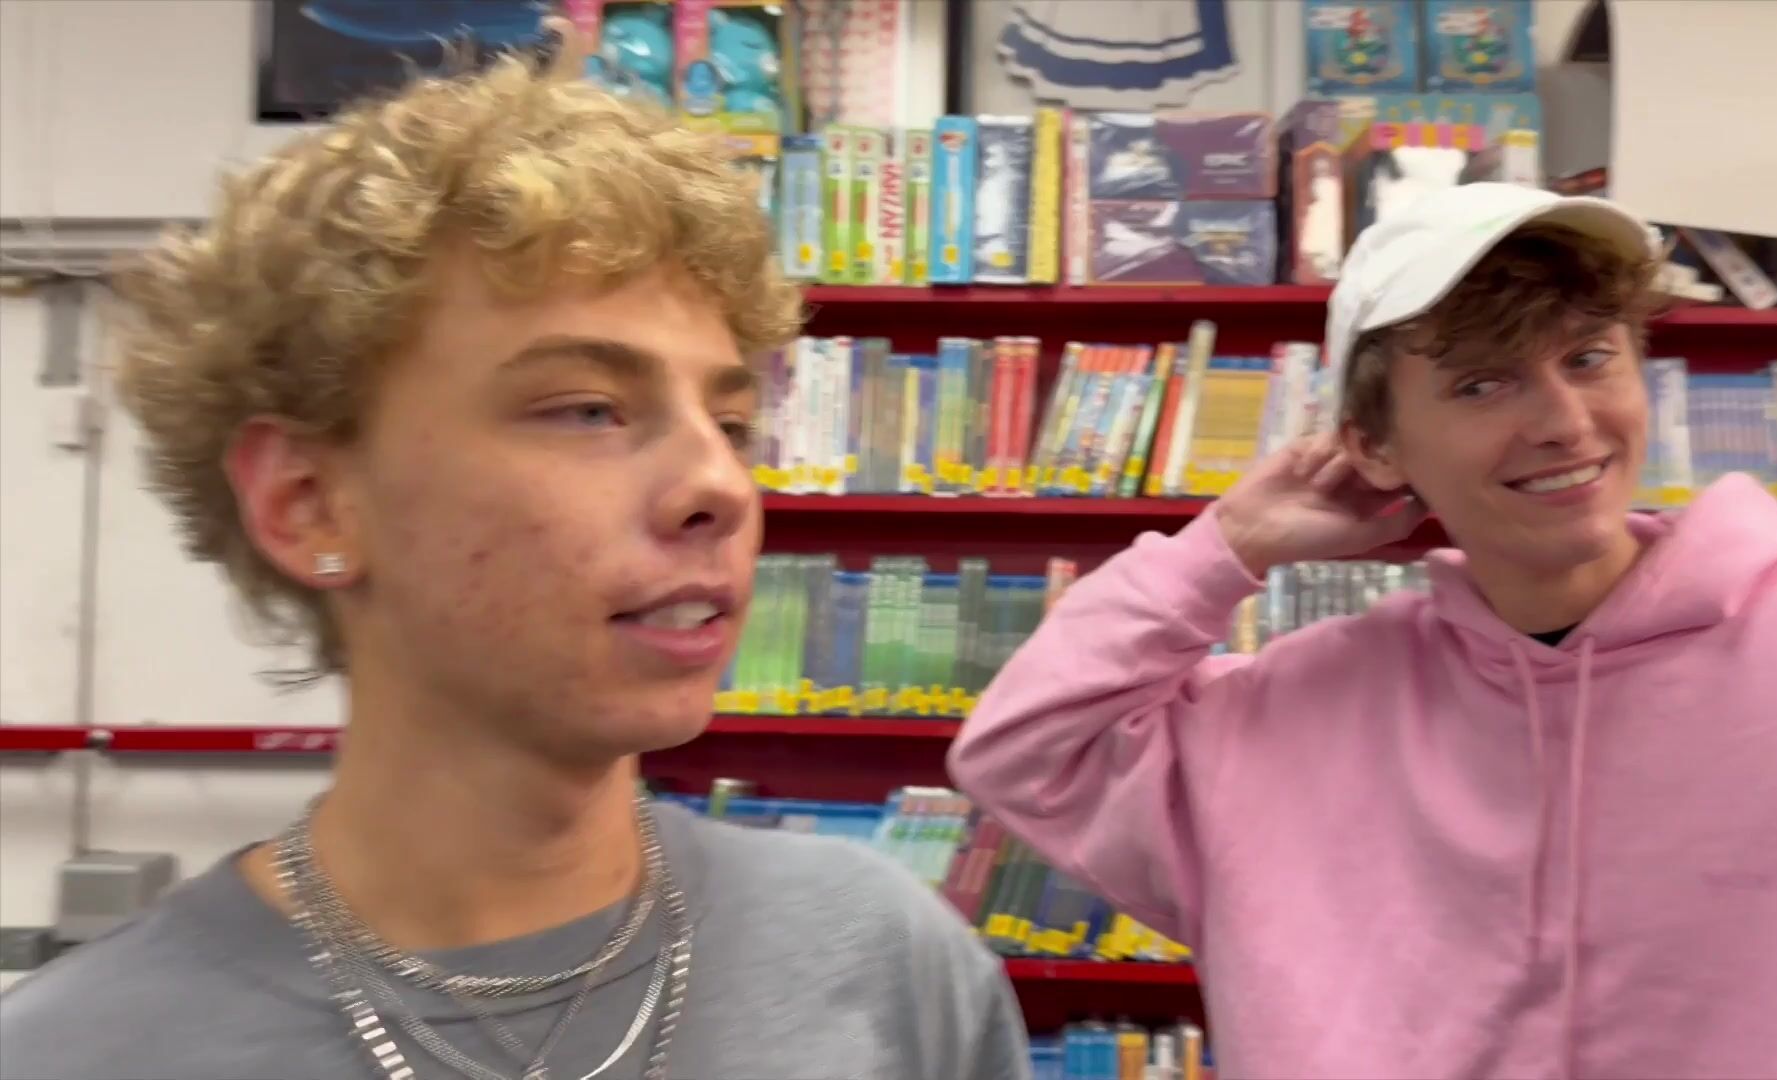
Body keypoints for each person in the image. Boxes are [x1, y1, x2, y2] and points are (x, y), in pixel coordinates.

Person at [0, 43, 1027, 1080]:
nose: (718, 484)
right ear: (307, 504)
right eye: (587, 409)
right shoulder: (81, 1053)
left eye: (730, 421)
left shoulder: (887, 969)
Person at [949, 182, 1777, 1079]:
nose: (1564, 421)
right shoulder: (1290, 717)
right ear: (1373, 446)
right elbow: (1024, 750)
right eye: (1482, 384)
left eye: (1589, 358)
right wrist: (1226, 546)